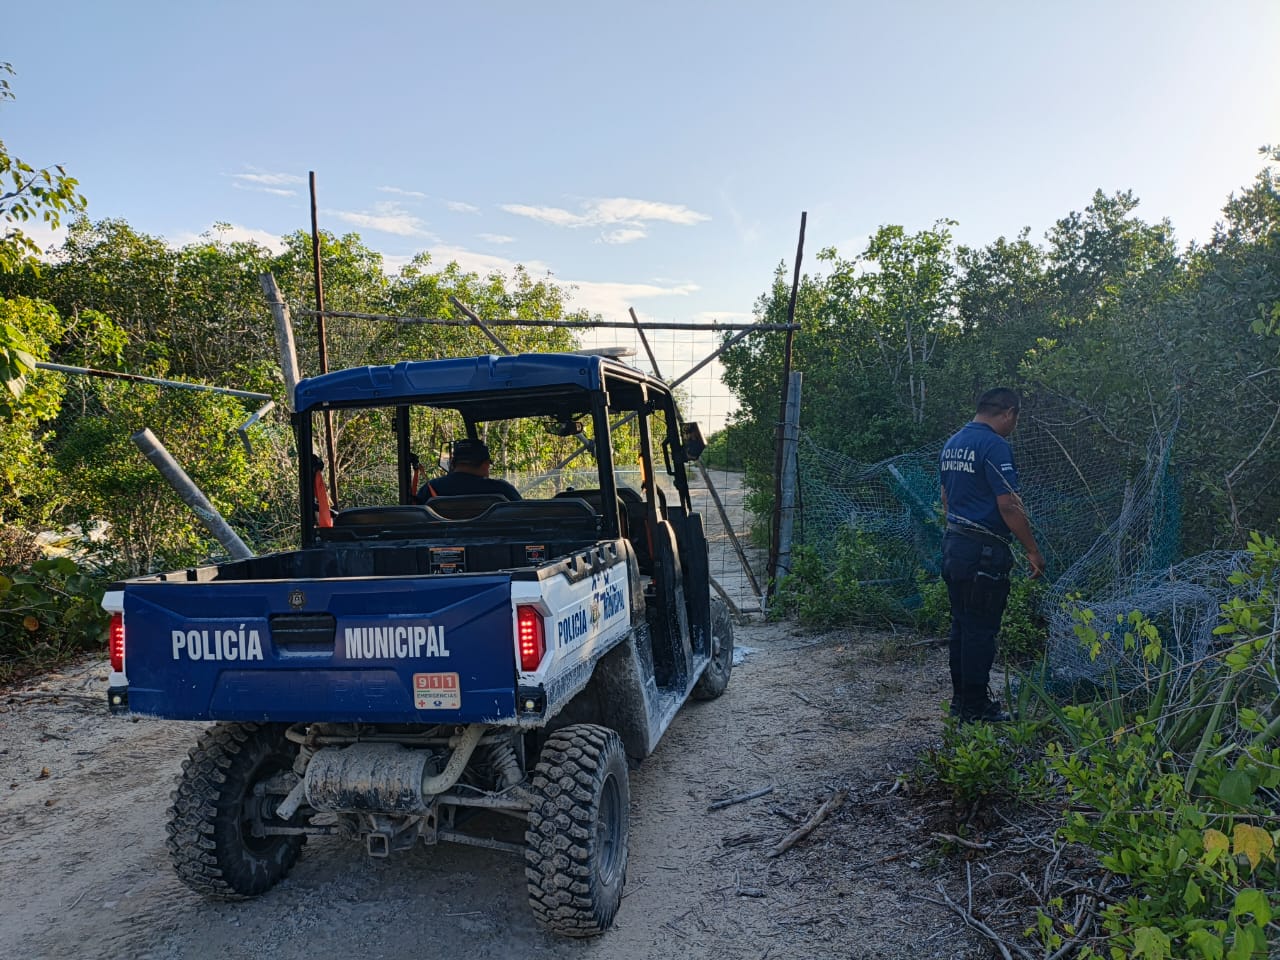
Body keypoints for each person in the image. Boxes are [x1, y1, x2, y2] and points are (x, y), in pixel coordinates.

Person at [939, 388, 1045, 723]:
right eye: (1015, 419)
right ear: (1008, 412)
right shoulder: (994, 445)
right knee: (981, 630)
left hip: (955, 544)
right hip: (983, 551)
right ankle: (975, 708)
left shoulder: (953, 443)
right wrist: (1032, 549)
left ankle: (961, 703)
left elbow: (945, 497)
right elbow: (1008, 504)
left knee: (962, 625)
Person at [415, 438, 522, 503]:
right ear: (485, 464)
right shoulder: (502, 489)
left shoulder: (430, 489)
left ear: (452, 463)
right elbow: (524, 516)